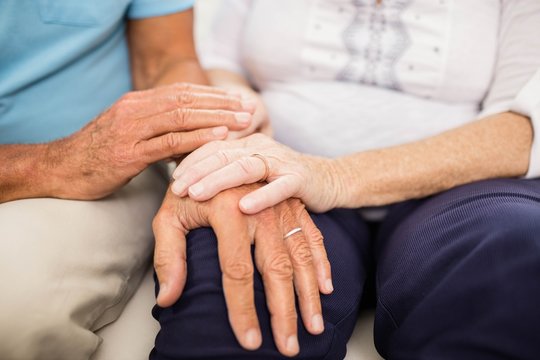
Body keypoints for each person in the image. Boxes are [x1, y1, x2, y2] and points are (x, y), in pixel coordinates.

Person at [157, 0, 540, 359]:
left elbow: (522, 128)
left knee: (510, 258)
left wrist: (333, 175)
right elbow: (219, 61)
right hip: (282, 178)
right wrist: (239, 107)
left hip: (463, 186)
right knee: (231, 291)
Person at [0, 1, 267, 359]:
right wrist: (48, 163)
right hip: (59, 164)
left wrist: (209, 159)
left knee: (14, 310)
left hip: (110, 172)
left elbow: (167, 58)